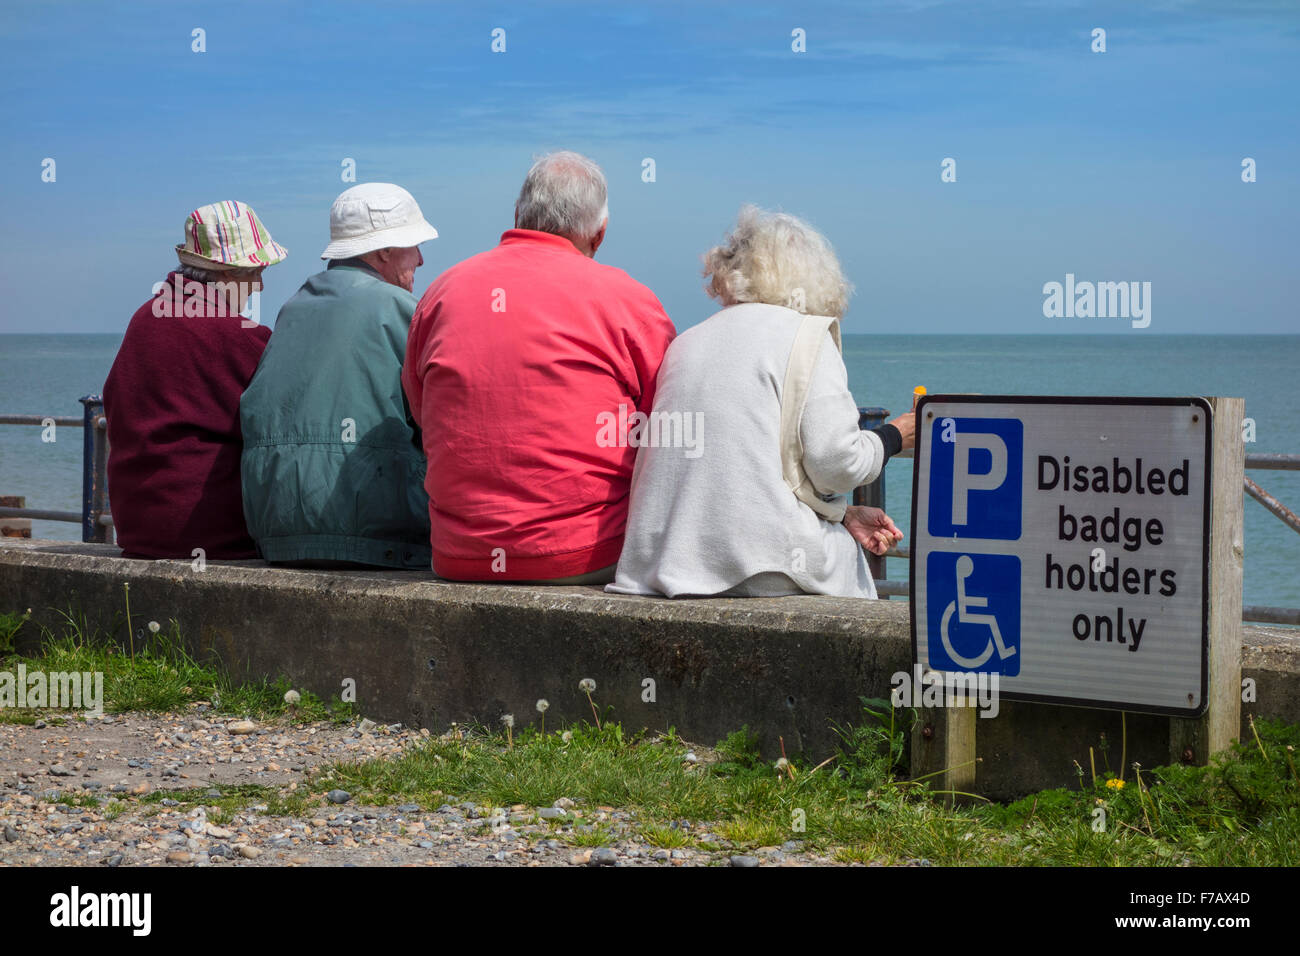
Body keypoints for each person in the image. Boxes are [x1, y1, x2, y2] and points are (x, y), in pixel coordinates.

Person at [606, 204, 915, 599]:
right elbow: (837, 465)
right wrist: (893, 438)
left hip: (665, 565)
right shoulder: (806, 334)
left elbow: (738, 473)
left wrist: (842, 515)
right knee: (852, 574)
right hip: (759, 568)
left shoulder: (686, 343)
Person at [403, 151, 676, 583]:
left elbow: (423, 411)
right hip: (585, 555)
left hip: (458, 556)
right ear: (599, 234)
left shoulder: (441, 294)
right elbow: (663, 425)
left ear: (518, 214)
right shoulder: (627, 301)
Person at [240, 183, 438, 569]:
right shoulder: (401, 307)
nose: (421, 259)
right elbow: (442, 422)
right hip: (383, 539)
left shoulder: (293, 307)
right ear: (383, 250)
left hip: (279, 537)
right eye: (414, 246)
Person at [103, 201, 286, 559]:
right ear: (229, 272)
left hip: (137, 530)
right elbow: (283, 424)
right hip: (210, 535)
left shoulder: (146, 316)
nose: (261, 286)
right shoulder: (238, 335)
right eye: (257, 271)